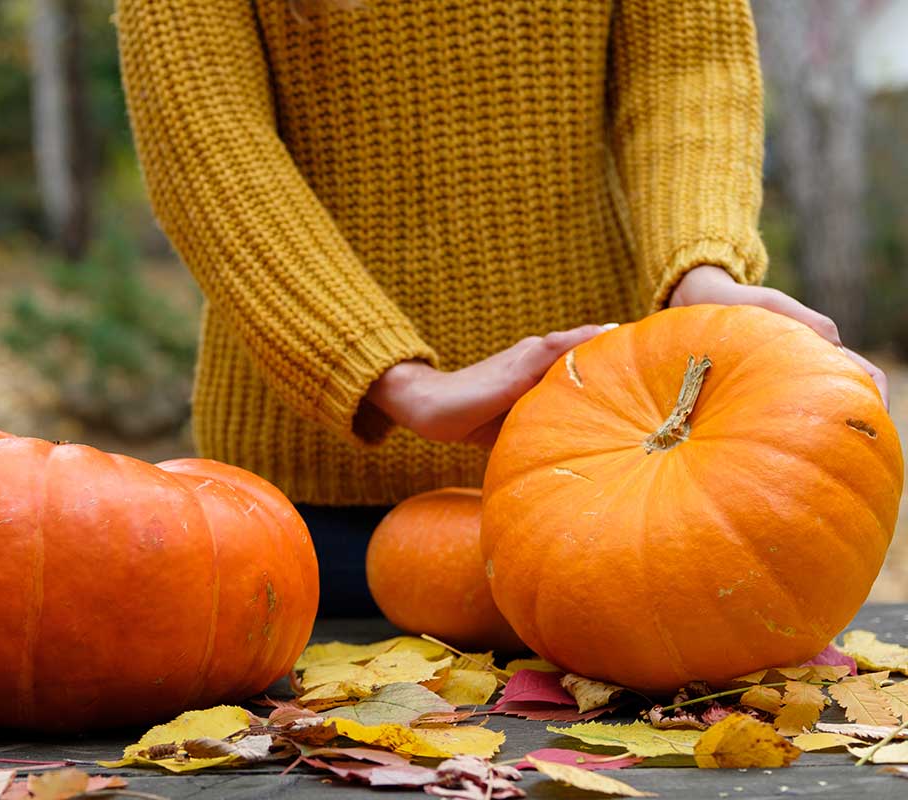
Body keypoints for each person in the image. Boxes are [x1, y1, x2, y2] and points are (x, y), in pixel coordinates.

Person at [116, 0, 887, 615]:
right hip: (313, 510)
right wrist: (395, 378)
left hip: (619, 486)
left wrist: (699, 269)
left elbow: (687, 67)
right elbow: (212, 146)